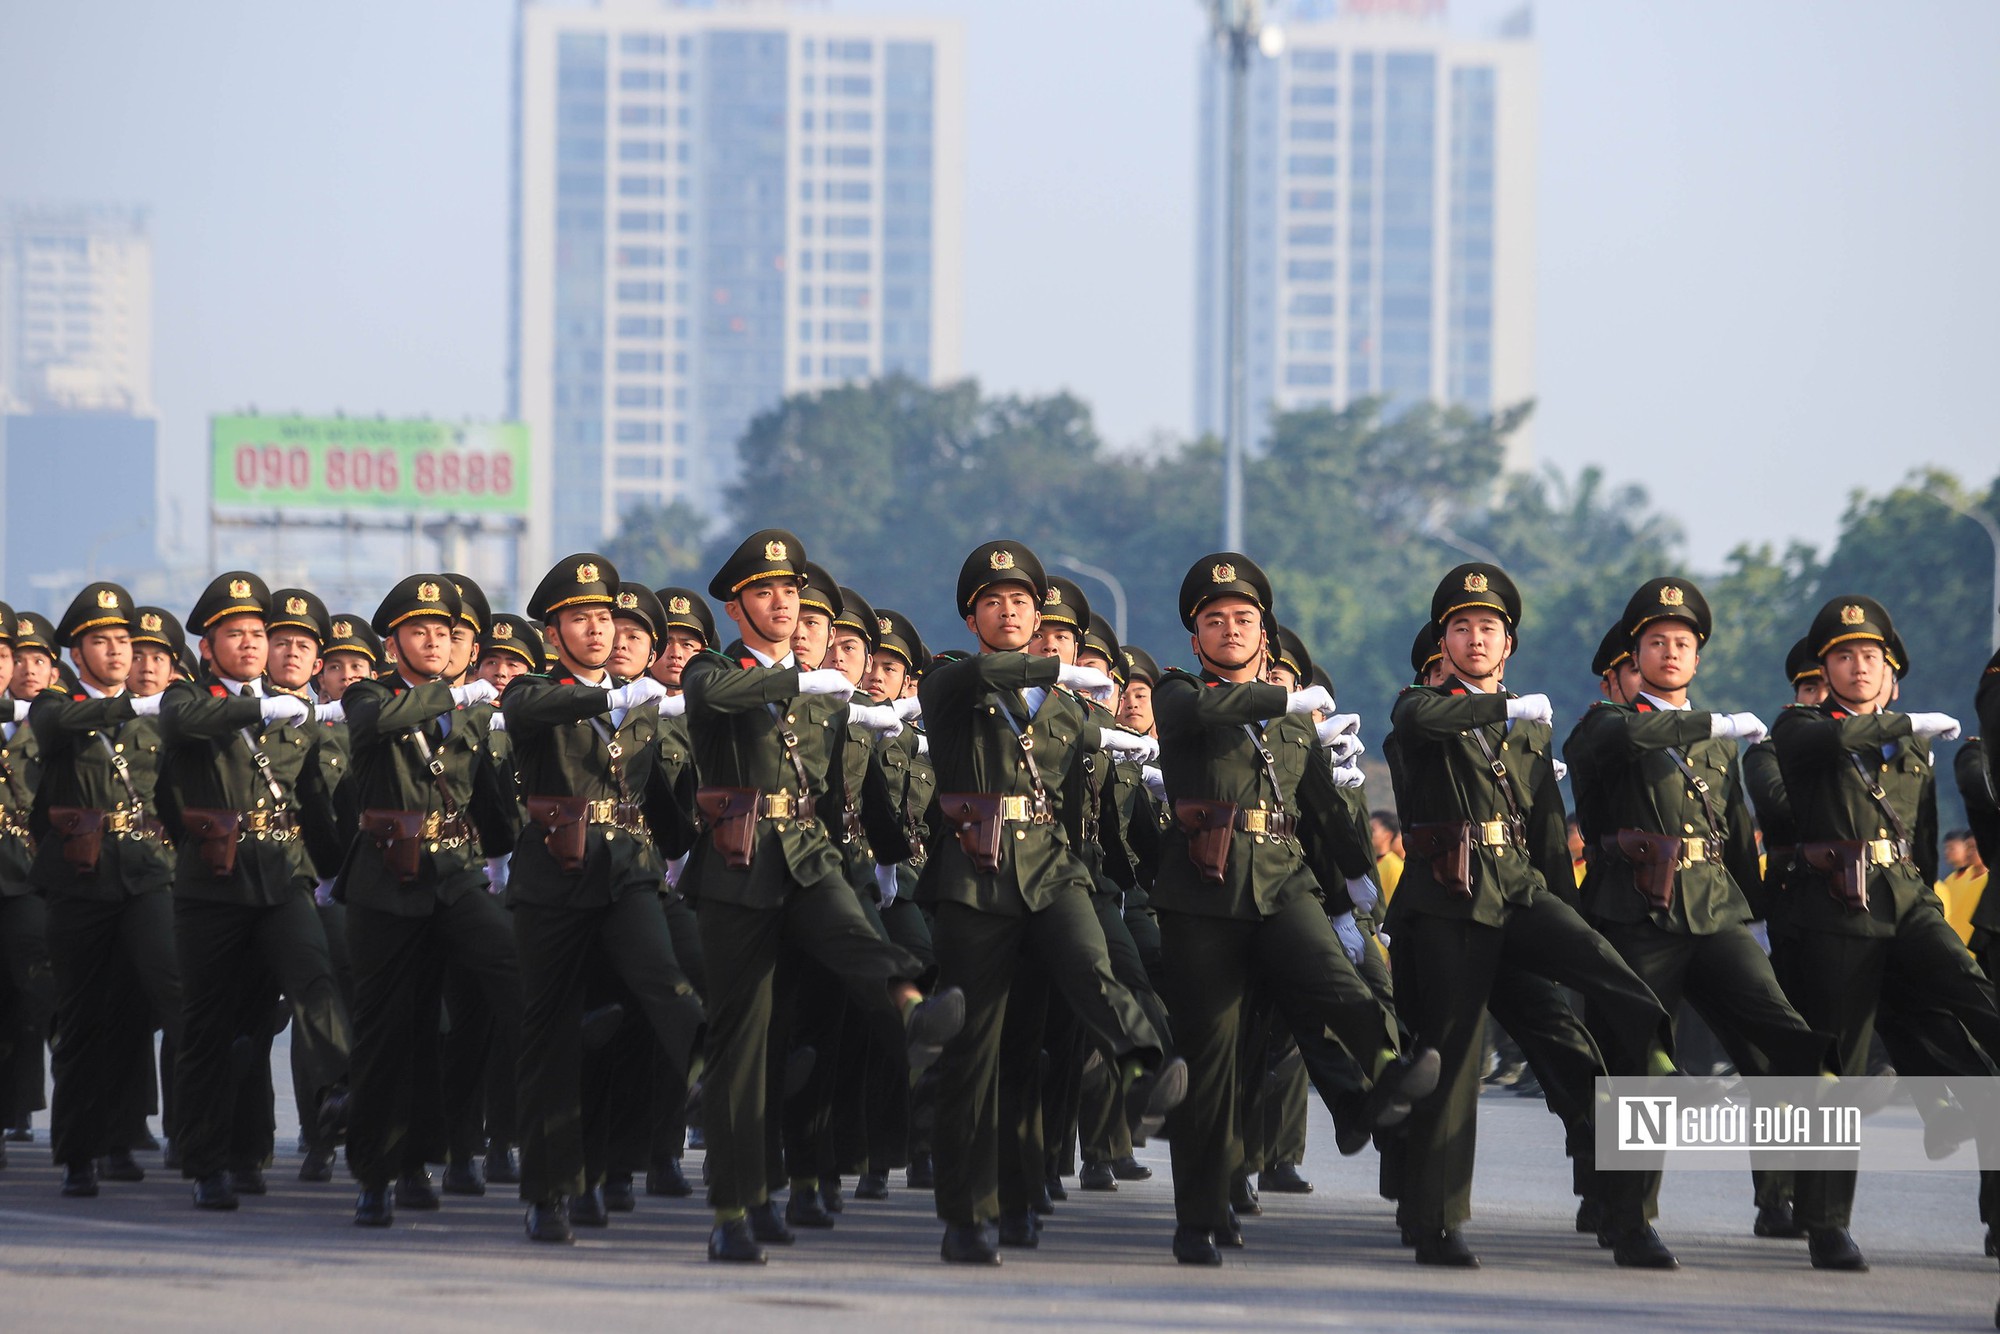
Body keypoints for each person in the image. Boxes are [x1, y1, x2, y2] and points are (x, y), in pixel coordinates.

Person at [681, 530, 960, 1265]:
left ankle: (912, 1008)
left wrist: (894, 856)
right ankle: (737, 1206)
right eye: (765, 593)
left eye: (791, 593)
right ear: (738, 606)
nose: (782, 604)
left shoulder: (827, 697)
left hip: (806, 855)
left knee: (855, 931)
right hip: (737, 867)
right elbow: (718, 695)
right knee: (745, 1048)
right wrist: (797, 681)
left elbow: (838, 795)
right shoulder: (715, 670)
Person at [1386, 563, 1676, 1268]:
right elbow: (1419, 719)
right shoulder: (1424, 710)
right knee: (1452, 1064)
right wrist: (1500, 710)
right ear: (1444, 641)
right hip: (1452, 905)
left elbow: (1546, 829)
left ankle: (1656, 1071)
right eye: (1461, 627)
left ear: (1508, 643)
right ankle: (1438, 1222)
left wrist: (1567, 917)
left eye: (1488, 628)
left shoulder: (1528, 723)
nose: (1475, 638)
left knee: (1604, 991)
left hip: (1519, 894)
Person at [1151, 555, 1434, 1265]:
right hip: (1203, 894)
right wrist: (1284, 701)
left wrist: (1357, 888)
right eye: (1213, 621)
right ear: (1195, 640)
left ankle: (1386, 1074)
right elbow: (1209, 710)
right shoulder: (1179, 694)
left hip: (1282, 882)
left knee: (1336, 983)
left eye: (1243, 620)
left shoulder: (1292, 724)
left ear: (1264, 636)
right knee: (1211, 1063)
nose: (1228, 629)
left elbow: (1324, 812)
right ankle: (1200, 1217)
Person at [917, 539, 1180, 1266]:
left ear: (1037, 615)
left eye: (1022, 603)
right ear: (972, 617)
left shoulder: (1066, 711)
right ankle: (970, 1212)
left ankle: (1139, 1066)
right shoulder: (952, 682)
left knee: (1088, 965)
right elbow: (981, 678)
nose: (1009, 612)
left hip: (1051, 870)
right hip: (976, 878)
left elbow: (1080, 792)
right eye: (994, 602)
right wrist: (1061, 667)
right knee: (980, 1051)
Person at [1561, 577, 1836, 1260]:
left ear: (1699, 656)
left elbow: (1736, 830)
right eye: (1656, 643)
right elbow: (1623, 742)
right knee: (1637, 1070)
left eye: (1683, 643)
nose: (1671, 652)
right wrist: (1710, 724)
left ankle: (1817, 1197)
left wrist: (1761, 917)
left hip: (1713, 907)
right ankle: (1629, 1221)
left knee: (1782, 1029)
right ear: (1634, 657)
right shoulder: (1606, 725)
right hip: (1636, 914)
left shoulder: (1717, 737)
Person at [1770, 594, 2000, 1271]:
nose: (1858, 666)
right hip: (1837, 913)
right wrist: (1903, 723)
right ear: (1827, 668)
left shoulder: (1912, 744)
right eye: (1844, 657)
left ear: (1889, 668)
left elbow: (1923, 836)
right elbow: (1835, 739)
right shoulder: (1801, 729)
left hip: (1907, 900)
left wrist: (1921, 893)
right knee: (1836, 1072)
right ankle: (1826, 1224)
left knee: (1978, 1005)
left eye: (1870, 656)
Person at [502, 554, 709, 1243]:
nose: (596, 630)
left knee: (662, 975)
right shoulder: (537, 689)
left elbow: (660, 799)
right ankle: (552, 1189)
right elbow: (530, 707)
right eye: (580, 619)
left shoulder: (641, 702)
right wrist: (607, 698)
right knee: (552, 1034)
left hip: (626, 871)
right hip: (553, 880)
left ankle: (708, 1074)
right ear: (554, 631)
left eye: (605, 618)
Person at [156, 571, 352, 1211]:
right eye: (233, 634)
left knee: (314, 980)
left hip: (282, 874)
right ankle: (213, 1161)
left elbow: (317, 806)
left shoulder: (295, 711)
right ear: (208, 646)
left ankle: (349, 1084)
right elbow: (182, 733)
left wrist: (336, 877)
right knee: (214, 1026)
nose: (249, 643)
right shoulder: (191, 698)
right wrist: (257, 707)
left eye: (258, 633)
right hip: (211, 885)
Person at [338, 574, 523, 1228]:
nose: (434, 642)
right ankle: (383, 1172)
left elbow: (491, 797)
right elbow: (376, 722)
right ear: (393, 643)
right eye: (419, 632)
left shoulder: (470, 709)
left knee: (509, 966)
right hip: (386, 881)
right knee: (391, 1031)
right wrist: (450, 691)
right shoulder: (370, 694)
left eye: (444, 633)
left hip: (455, 874)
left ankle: (554, 1039)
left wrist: (512, 856)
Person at [29, 583, 181, 1197]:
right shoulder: (55, 705)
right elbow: (62, 722)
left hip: (146, 874)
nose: (118, 653)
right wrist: (135, 708)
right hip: (79, 880)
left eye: (124, 641)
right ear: (77, 649)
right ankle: (79, 1152)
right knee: (85, 1017)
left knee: (162, 996)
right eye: (102, 641)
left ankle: (134, 1136)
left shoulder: (162, 710)